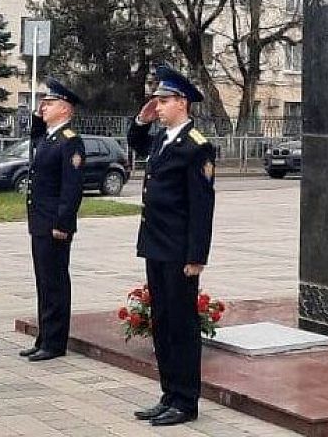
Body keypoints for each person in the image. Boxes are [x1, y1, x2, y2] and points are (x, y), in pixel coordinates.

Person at [126, 65, 216, 427]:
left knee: (182, 325)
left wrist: (196, 256)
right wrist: (141, 119)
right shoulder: (164, 139)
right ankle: (169, 393)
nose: (157, 106)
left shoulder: (197, 147)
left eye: (163, 101)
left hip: (179, 251)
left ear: (182, 102)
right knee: (162, 323)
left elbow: (201, 207)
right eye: (156, 100)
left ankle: (186, 400)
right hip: (156, 245)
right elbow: (136, 143)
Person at [19, 78, 85, 362]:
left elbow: (72, 188)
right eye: (43, 103)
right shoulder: (49, 137)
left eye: (50, 103)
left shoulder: (71, 141)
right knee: (44, 281)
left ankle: (55, 342)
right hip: (40, 221)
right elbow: (34, 139)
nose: (43, 106)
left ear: (66, 109)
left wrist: (63, 224)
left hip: (54, 225)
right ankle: (44, 337)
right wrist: (38, 115)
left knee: (55, 282)